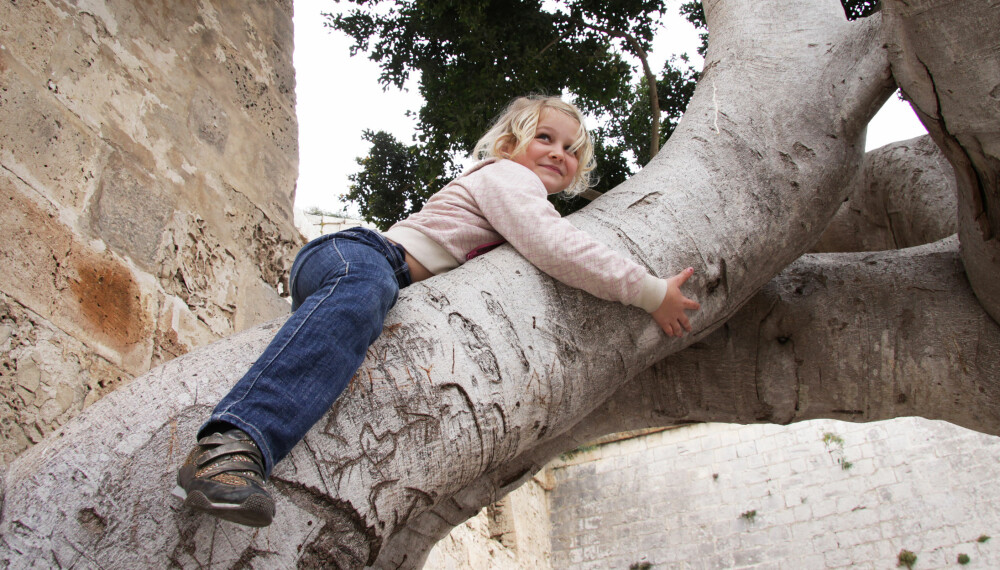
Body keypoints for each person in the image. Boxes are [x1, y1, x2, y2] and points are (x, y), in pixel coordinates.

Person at [173, 95, 701, 527]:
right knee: (361, 296)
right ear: (508, 145)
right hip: (362, 256)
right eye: (546, 138)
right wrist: (650, 292)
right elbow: (556, 245)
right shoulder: (506, 178)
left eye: (571, 150)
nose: (560, 153)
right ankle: (230, 448)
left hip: (379, 274)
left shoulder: (513, 190)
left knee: (357, 316)